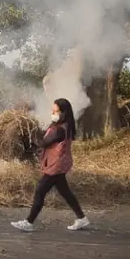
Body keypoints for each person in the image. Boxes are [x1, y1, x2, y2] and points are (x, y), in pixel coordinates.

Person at [11, 98, 90, 232]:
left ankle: (29, 222)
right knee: (65, 192)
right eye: (52, 110)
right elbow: (45, 137)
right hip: (60, 164)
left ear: (63, 112)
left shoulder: (60, 129)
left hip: (55, 165)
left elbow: (43, 142)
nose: (53, 113)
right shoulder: (64, 126)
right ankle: (82, 218)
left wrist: (28, 133)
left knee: (40, 191)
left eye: (55, 111)